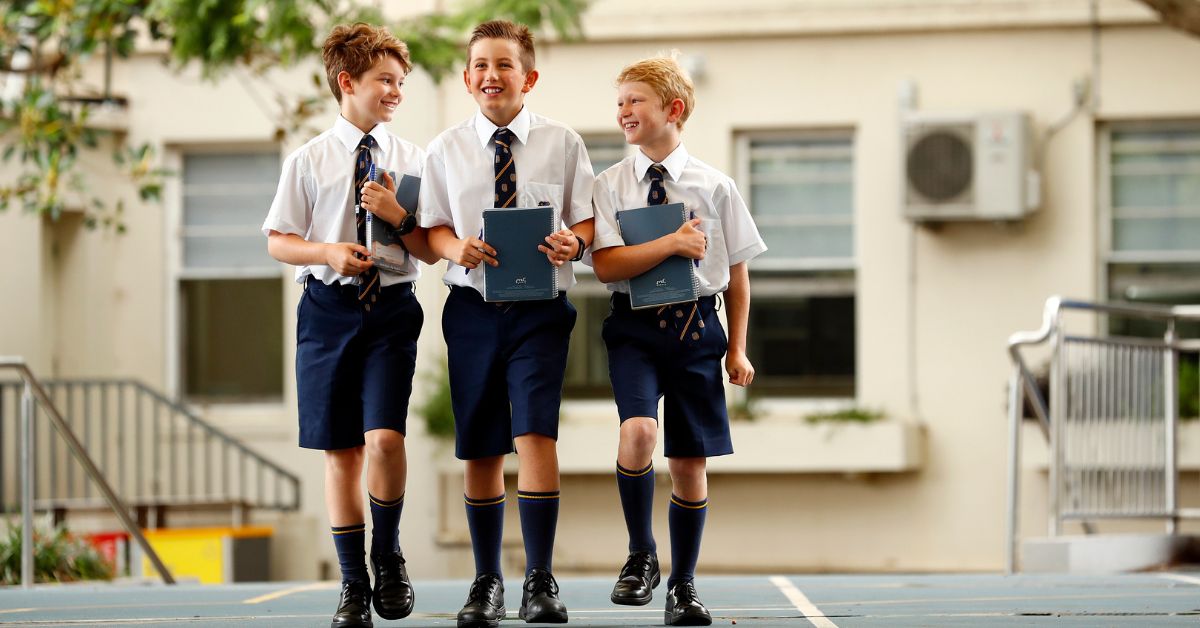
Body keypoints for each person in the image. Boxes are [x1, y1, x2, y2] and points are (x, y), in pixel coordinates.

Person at [417, 18, 595, 628]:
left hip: (541, 312)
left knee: (536, 434)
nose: (492, 76)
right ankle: (487, 580)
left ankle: (540, 581)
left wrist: (575, 240)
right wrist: (453, 248)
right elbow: (433, 226)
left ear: (530, 77)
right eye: (481, 66)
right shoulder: (444, 150)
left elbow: (587, 219)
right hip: (472, 312)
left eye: (505, 65)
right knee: (482, 444)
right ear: (467, 78)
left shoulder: (563, 142)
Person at [262, 22, 436, 628]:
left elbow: (430, 248)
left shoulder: (415, 159)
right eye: (384, 80)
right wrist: (328, 252)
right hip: (327, 312)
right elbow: (280, 243)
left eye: (400, 81)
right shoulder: (307, 160)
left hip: (391, 309)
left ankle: (387, 556)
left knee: (385, 439)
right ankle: (352, 584)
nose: (396, 91)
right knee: (340, 452)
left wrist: (401, 213)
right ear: (347, 82)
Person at [586, 54, 767, 627]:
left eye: (635, 100)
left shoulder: (716, 186)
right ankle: (641, 555)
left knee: (690, 464)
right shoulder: (609, 185)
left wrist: (736, 348)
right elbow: (609, 266)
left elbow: (737, 273)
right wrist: (669, 245)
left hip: (697, 330)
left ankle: (683, 587)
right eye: (619, 103)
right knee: (638, 431)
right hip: (634, 327)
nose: (624, 112)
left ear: (674, 109)